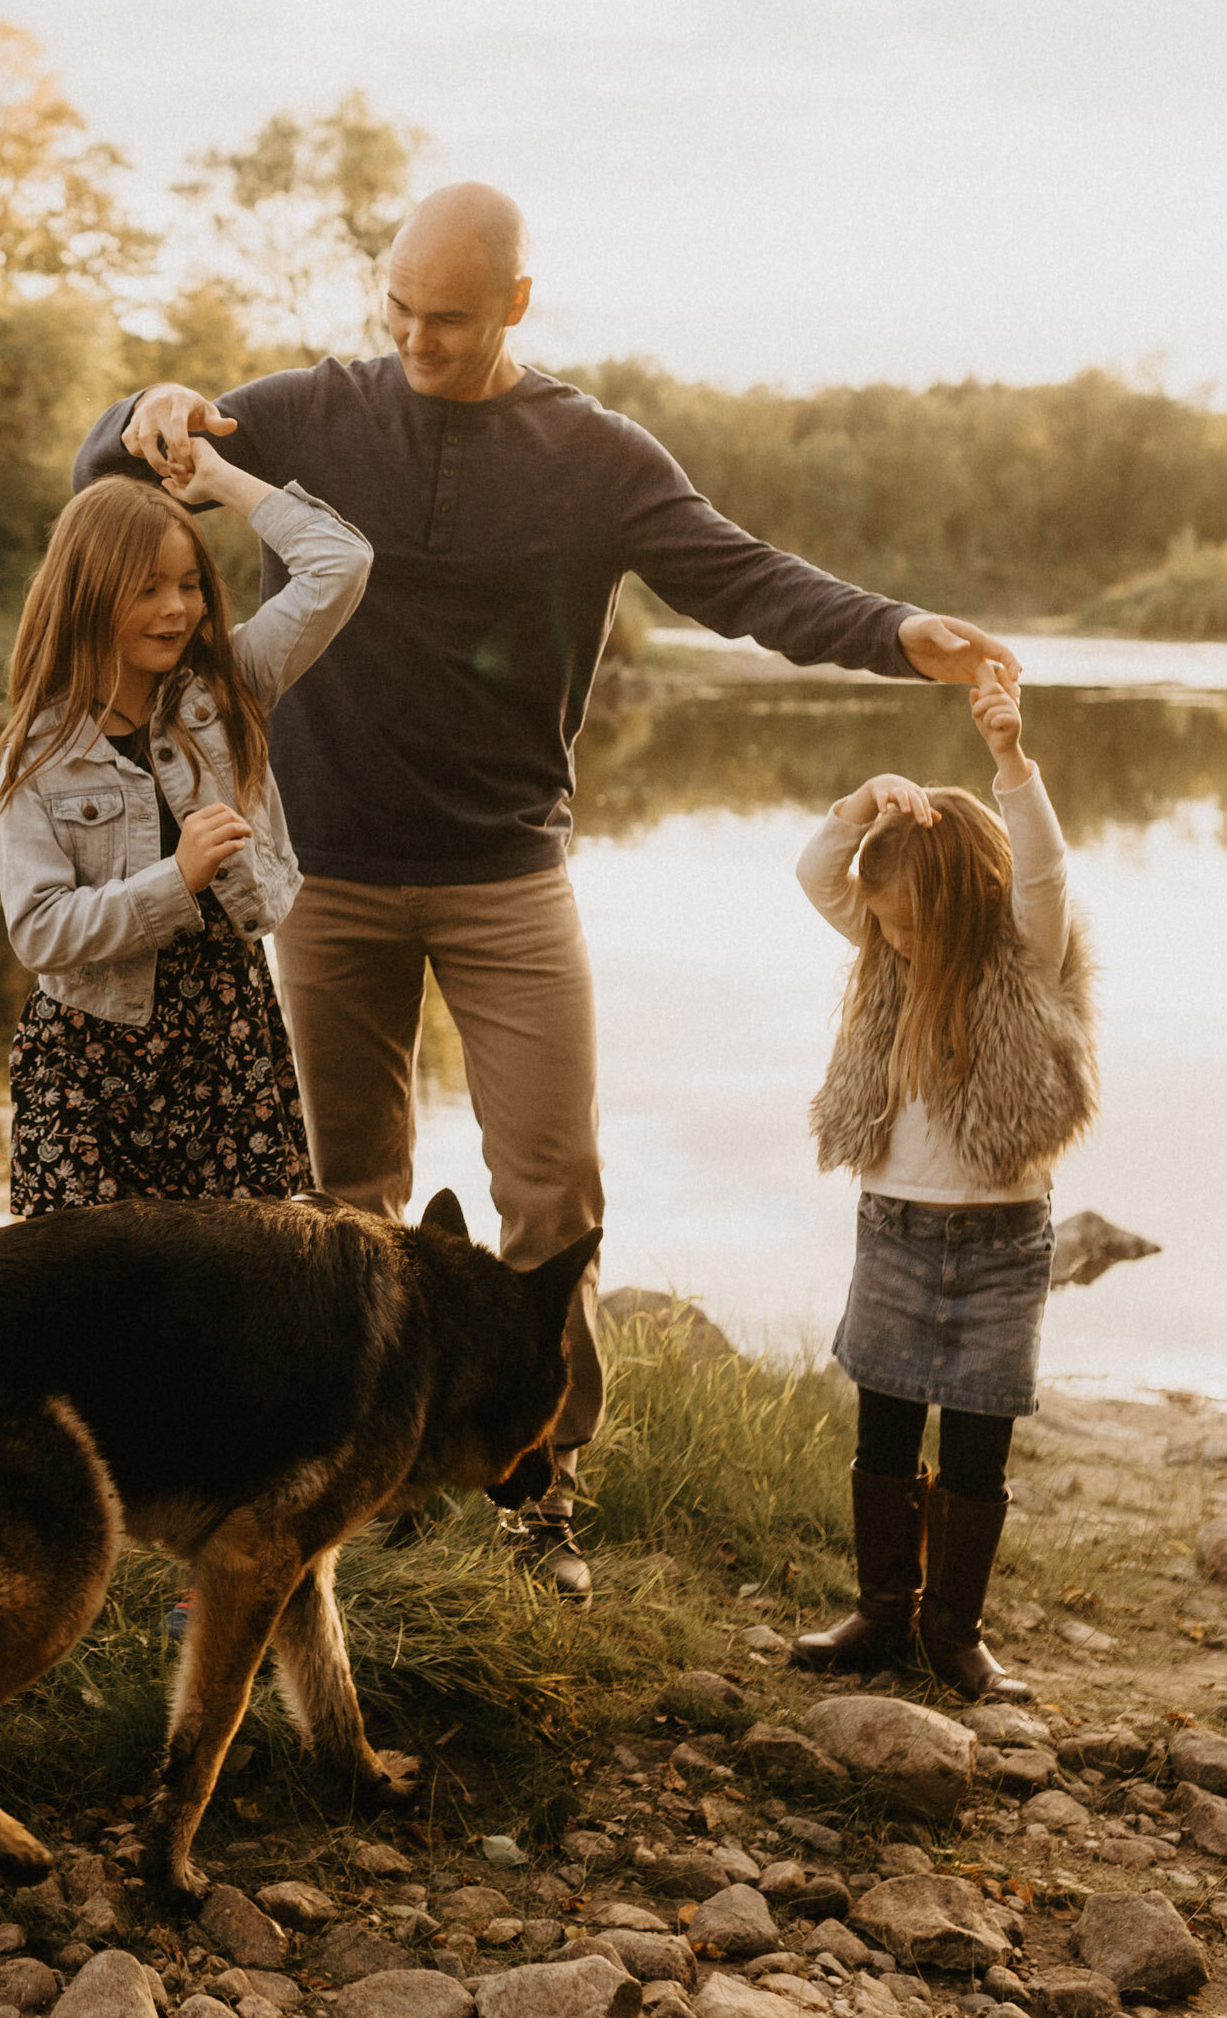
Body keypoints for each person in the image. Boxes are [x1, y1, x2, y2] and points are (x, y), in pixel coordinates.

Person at [75, 181, 1020, 1601]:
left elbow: (743, 579)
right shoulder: (302, 413)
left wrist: (898, 632)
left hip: (508, 870)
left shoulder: (592, 454)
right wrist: (141, 403)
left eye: (446, 317)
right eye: (394, 303)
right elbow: (111, 480)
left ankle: (539, 1478)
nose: (413, 336)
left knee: (554, 1187)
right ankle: (360, 1480)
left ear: (516, 304)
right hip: (318, 868)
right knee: (344, 1198)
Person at [0, 433, 371, 1214]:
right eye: (148, 588)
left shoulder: (227, 688)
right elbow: (40, 932)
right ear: (88, 594)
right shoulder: (36, 756)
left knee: (239, 1289)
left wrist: (219, 478)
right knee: (97, 1301)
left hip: (227, 1038)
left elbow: (340, 564)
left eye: (189, 584)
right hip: (93, 1060)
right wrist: (175, 880)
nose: (178, 608)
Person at [790, 665, 1089, 1702]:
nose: (897, 944)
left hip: (1004, 1241)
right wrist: (871, 798)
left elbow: (1044, 869)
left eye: (914, 929)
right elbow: (819, 874)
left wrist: (1009, 759)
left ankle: (954, 1633)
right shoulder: (883, 953)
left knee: (976, 1439)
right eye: (886, 929)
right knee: (883, 1424)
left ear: (965, 909)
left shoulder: (1023, 959)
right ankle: (882, 1610)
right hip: (896, 1228)